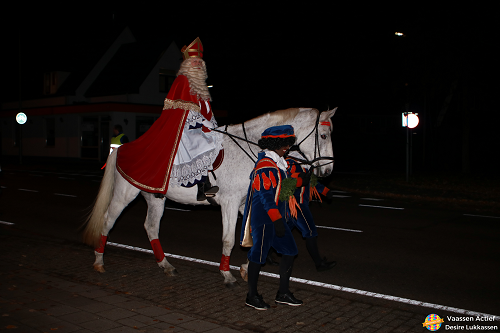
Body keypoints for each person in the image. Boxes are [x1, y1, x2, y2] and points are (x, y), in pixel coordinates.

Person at [116, 37, 223, 200]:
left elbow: (207, 111)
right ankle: (202, 186)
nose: (198, 64)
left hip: (198, 126)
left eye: (200, 61)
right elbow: (184, 111)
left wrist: (213, 125)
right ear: (187, 64)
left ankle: (212, 181)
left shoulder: (200, 86)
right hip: (183, 127)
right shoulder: (182, 81)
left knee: (217, 139)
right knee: (201, 144)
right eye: (195, 61)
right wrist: (204, 123)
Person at [240, 125, 309, 310]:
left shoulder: (279, 163)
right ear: (275, 144)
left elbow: (285, 185)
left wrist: (303, 180)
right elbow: (266, 198)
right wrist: (277, 221)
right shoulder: (265, 166)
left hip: (277, 218)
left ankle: (283, 293)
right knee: (258, 256)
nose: (287, 147)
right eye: (285, 144)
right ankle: (251, 296)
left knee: (290, 250)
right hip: (265, 219)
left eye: (288, 144)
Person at [286, 150, 337, 271]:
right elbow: (285, 180)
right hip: (297, 206)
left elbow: (311, 182)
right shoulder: (290, 163)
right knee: (310, 232)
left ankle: (265, 254)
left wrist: (325, 191)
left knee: (282, 232)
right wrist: (297, 178)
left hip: (299, 205)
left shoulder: (305, 165)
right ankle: (319, 263)